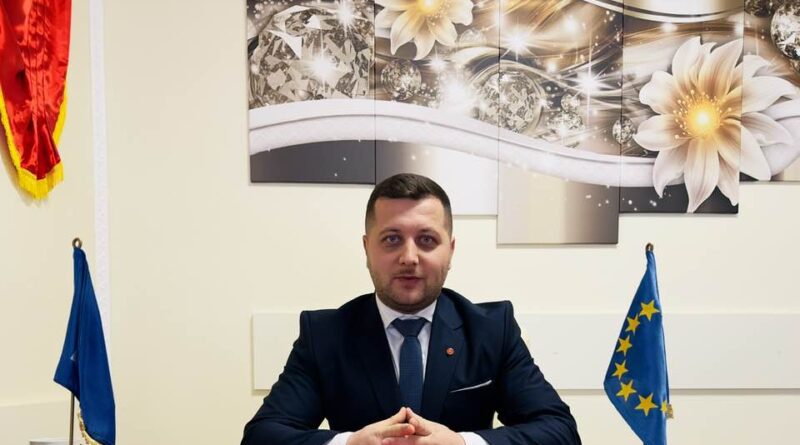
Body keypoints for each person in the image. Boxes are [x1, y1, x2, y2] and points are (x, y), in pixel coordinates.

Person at [241, 173, 581, 445]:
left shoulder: (491, 329)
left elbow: (560, 431)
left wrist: (463, 443)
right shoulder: (325, 335)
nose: (409, 257)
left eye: (427, 240)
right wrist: (350, 443)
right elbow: (262, 436)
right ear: (367, 248)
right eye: (391, 239)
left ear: (450, 250)